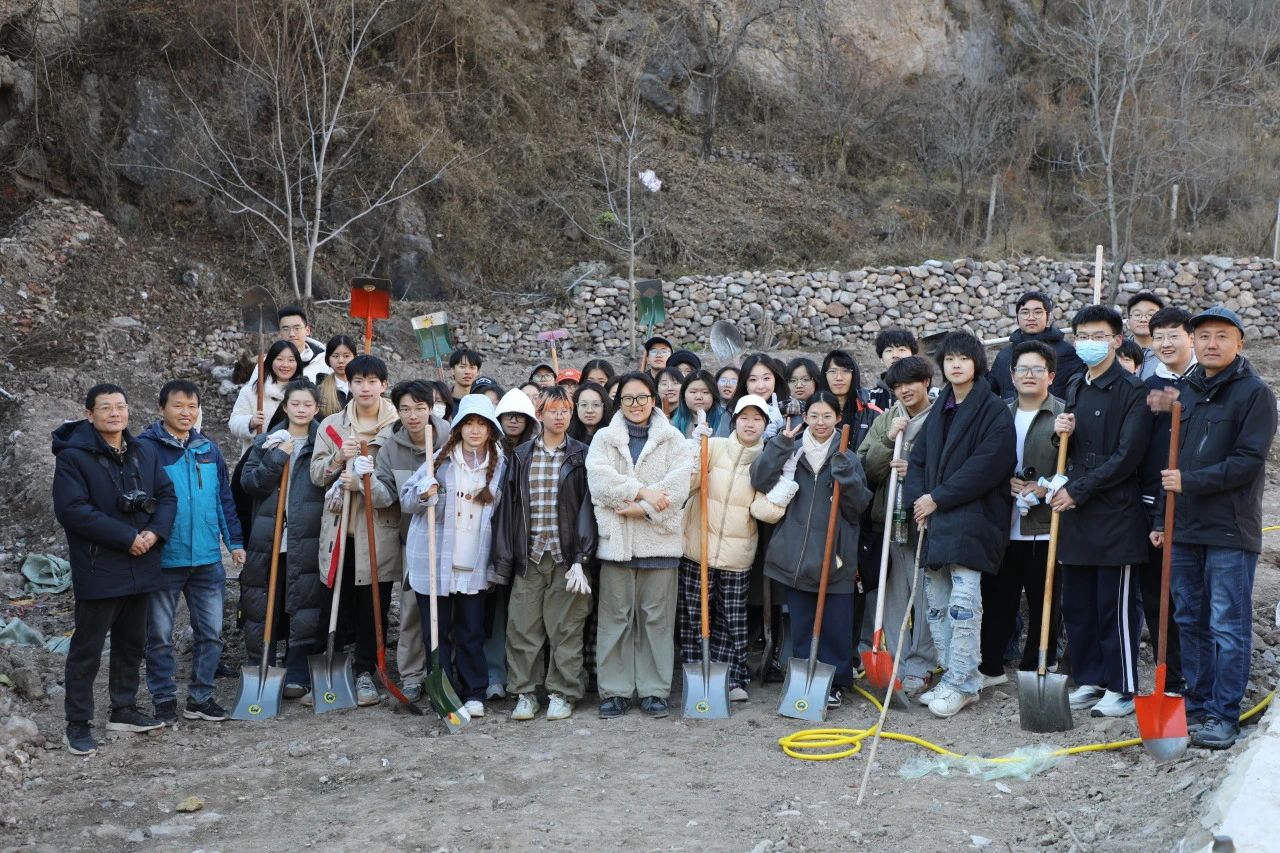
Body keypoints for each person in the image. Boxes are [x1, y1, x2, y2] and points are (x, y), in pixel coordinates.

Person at [1151, 306, 1276, 749]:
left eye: (1222, 336)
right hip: (1184, 528)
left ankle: (1224, 713)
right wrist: (1160, 518)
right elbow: (1169, 462)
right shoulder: (1186, 391)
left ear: (1239, 343)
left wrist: (1191, 482)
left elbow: (1247, 462)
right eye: (1203, 336)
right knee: (1190, 619)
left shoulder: (1254, 394)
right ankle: (1199, 701)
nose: (1211, 343)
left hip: (1229, 530)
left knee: (1227, 624)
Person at [54, 384, 177, 755]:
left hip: (142, 561)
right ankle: (78, 723)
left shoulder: (143, 451)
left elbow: (166, 495)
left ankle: (124, 709)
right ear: (89, 414)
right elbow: (73, 510)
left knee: (132, 643)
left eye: (120, 406)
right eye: (105, 407)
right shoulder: (73, 458)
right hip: (100, 565)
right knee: (87, 649)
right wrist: (127, 537)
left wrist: (154, 532)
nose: (114, 413)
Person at [903, 331, 1015, 719]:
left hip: (974, 517)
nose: (955, 365)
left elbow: (987, 465)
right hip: (936, 519)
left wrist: (937, 497)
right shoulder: (941, 408)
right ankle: (953, 674)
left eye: (963, 358)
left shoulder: (994, 410)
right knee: (936, 604)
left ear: (976, 363)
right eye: (949, 359)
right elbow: (918, 460)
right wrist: (918, 500)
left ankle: (964, 683)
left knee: (964, 605)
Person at [1052, 305, 1151, 719]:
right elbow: (1071, 447)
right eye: (1083, 336)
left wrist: (1077, 491)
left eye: (1098, 336)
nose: (1089, 343)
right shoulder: (1077, 384)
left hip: (1115, 514)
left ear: (1116, 340)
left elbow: (1127, 457)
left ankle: (1121, 686)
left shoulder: (1134, 391)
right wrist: (1061, 433)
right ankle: (1090, 678)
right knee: (1078, 604)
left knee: (1114, 605)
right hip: (1077, 512)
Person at [752, 391, 872, 709]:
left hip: (835, 554)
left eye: (827, 416)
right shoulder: (792, 450)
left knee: (836, 623)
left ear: (838, 419)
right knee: (803, 622)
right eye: (814, 416)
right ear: (805, 418)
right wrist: (780, 445)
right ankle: (804, 679)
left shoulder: (848, 456)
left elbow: (858, 507)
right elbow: (760, 479)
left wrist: (847, 476)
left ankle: (835, 682)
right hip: (797, 553)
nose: (820, 422)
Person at [586, 372, 692, 719]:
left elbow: (678, 488)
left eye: (642, 397)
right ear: (619, 402)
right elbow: (600, 482)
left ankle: (654, 690)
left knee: (656, 621)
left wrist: (643, 510)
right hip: (617, 545)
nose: (635, 405)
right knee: (615, 619)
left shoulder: (673, 439)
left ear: (653, 399)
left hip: (659, 545)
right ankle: (615, 691)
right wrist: (642, 492)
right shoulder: (605, 438)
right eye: (628, 398)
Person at [140, 380, 244, 725]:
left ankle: (200, 698)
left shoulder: (208, 449)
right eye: (178, 406)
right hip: (163, 558)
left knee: (211, 634)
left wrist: (234, 543)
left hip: (207, 559)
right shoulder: (146, 449)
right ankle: (163, 698)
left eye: (192, 406)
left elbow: (223, 499)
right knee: (159, 636)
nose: (186, 413)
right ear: (161, 409)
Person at [492, 387, 597, 721]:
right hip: (530, 556)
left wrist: (582, 557)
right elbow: (508, 511)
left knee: (566, 628)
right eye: (552, 410)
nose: (559, 416)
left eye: (565, 410)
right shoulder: (522, 455)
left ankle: (563, 692)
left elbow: (589, 508)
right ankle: (525, 692)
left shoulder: (581, 455)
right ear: (539, 415)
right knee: (522, 627)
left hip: (567, 559)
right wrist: (505, 559)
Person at [401, 394, 507, 718]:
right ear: (459, 427)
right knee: (436, 633)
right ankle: (444, 692)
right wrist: (424, 493)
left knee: (471, 631)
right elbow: (407, 499)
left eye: (481, 424)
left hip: (475, 561)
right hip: (435, 560)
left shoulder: (500, 466)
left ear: (491, 430)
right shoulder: (439, 461)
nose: (475, 430)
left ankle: (475, 691)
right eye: (469, 423)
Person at [681, 394, 786, 702]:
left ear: (766, 425)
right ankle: (696, 673)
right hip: (698, 548)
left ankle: (731, 677)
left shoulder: (764, 460)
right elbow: (688, 484)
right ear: (735, 420)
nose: (750, 424)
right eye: (744, 418)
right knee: (695, 616)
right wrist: (694, 451)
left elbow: (764, 511)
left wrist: (783, 489)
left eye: (757, 419)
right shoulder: (713, 447)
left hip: (737, 555)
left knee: (731, 618)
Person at [310, 355, 401, 707]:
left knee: (372, 607)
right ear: (348, 384)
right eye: (358, 381)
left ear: (384, 384)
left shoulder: (396, 428)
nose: (365, 388)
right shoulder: (332, 425)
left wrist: (362, 482)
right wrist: (337, 461)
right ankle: (332, 669)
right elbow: (316, 474)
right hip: (339, 533)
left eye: (372, 381)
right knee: (333, 603)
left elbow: (395, 488)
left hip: (377, 532)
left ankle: (365, 672)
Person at [975, 342, 1065, 689]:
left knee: (1045, 600)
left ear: (1051, 376)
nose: (1029, 375)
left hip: (1045, 526)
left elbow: (1074, 467)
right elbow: (984, 462)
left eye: (1037, 369)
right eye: (1023, 369)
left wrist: (1044, 488)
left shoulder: (1062, 415)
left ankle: (1038, 665)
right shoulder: (999, 414)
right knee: (998, 598)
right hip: (1003, 523)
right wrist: (1004, 483)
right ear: (1011, 375)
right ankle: (991, 667)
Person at [239, 379, 327, 701]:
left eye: (307, 405)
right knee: (263, 603)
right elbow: (250, 484)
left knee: (304, 605)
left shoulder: (323, 443)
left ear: (316, 408)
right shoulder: (266, 441)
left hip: (308, 538)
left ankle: (298, 670)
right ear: (286, 407)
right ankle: (261, 665)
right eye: (295, 404)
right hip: (270, 538)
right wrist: (276, 458)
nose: (301, 410)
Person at [857, 356, 938, 696]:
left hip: (927, 523)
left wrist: (915, 471)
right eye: (898, 386)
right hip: (890, 520)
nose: (904, 390)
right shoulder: (887, 420)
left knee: (926, 597)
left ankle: (922, 665)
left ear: (926, 382)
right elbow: (863, 467)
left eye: (911, 383)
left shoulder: (941, 417)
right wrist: (888, 441)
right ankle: (897, 665)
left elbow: (951, 468)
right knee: (892, 598)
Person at [370, 381, 450, 703]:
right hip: (412, 541)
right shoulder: (392, 447)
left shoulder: (451, 438)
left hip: (451, 540)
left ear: (431, 408)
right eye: (405, 409)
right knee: (412, 610)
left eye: (419, 408)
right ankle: (413, 676)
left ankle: (447, 673)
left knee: (450, 610)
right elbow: (385, 496)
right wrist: (366, 481)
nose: (412, 415)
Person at [1137, 306, 1195, 696]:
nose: (1166, 343)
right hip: (1148, 503)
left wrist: (1181, 406)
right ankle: (1170, 677)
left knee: (1190, 596)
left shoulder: (1205, 382)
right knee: (1157, 598)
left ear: (1190, 337)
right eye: (1159, 337)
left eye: (1174, 334)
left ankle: (1199, 678)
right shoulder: (1148, 386)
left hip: (1192, 503)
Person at [989, 291, 1085, 399]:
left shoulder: (1067, 352)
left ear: (1048, 316)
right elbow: (989, 392)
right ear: (1017, 317)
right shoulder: (1004, 356)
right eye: (1025, 312)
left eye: (1038, 312)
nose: (1031, 317)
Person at [229, 340, 302, 455]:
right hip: (258, 459)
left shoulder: (304, 392)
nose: (285, 365)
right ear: (270, 361)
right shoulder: (252, 391)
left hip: (294, 459)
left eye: (291, 360)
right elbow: (234, 423)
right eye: (280, 359)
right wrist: (250, 422)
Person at [820, 349, 880, 449]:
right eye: (832, 371)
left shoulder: (871, 413)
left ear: (854, 375)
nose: (839, 377)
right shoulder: (813, 410)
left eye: (845, 371)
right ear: (824, 375)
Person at [274, 305, 331, 383]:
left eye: (297, 328)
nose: (292, 334)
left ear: (307, 330)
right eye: (286, 329)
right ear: (279, 333)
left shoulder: (324, 362)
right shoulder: (268, 363)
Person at [867, 328, 920, 411]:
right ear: (881, 359)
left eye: (901, 349)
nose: (895, 355)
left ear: (913, 355)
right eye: (889, 350)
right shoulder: (869, 398)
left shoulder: (932, 394)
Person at [671, 370, 726, 438]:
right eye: (693, 392)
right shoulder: (673, 426)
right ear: (683, 395)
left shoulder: (725, 421)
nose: (699, 397)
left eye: (705, 392)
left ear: (714, 396)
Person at [317, 334, 358, 418]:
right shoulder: (320, 390)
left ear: (355, 358)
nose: (341, 361)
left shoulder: (365, 387)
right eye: (335, 356)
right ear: (328, 359)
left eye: (346, 356)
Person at [1126, 291, 1164, 380]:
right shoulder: (1117, 350)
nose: (1143, 319)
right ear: (1128, 323)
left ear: (1162, 321)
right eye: (1137, 315)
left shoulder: (1169, 352)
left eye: (1150, 315)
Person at [496, 387, 539, 454]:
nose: (513, 421)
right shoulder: (489, 448)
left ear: (528, 420)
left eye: (519, 416)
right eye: (508, 415)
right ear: (499, 418)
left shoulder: (537, 450)